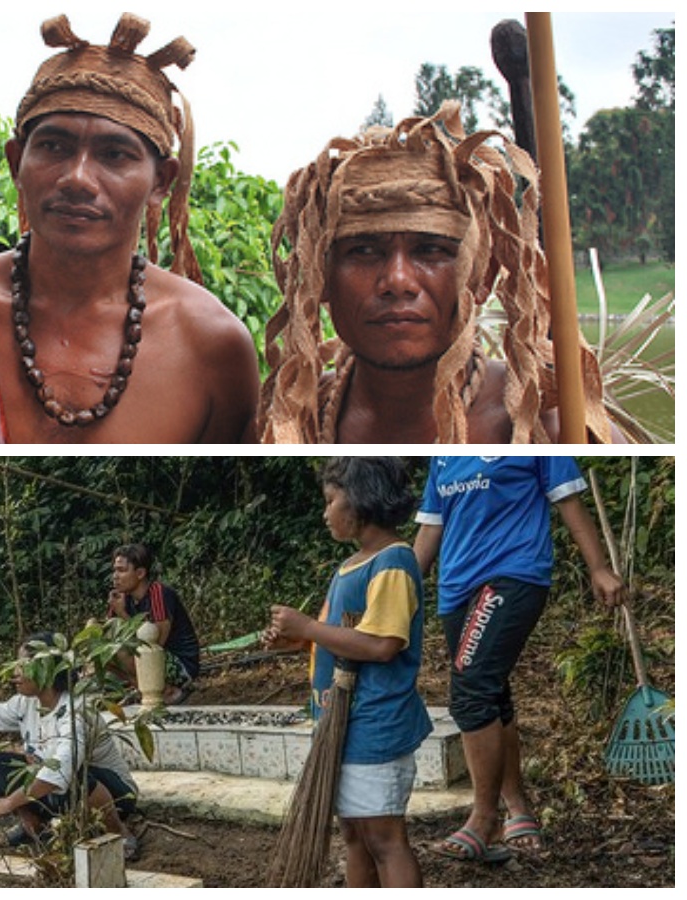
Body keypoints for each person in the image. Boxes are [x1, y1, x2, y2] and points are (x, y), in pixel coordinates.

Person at [0, 13, 260, 443]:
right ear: (17, 163)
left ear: (161, 182)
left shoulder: (213, 345)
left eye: (114, 155)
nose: (77, 178)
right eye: (54, 146)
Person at [258, 101, 622, 444]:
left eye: (431, 251)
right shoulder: (287, 424)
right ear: (322, 276)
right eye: (364, 251)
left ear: (482, 277)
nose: (398, 281)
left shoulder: (552, 430)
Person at [413, 456, 627, 861]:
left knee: (471, 692)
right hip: (455, 589)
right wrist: (399, 588)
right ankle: (517, 806)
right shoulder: (443, 448)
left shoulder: (532, 432)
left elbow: (567, 499)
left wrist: (598, 567)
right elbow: (431, 527)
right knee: (492, 692)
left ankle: (483, 818)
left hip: (514, 573)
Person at [262, 457, 431, 888]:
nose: (325, 512)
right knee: (355, 836)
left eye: (331, 500)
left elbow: (382, 644)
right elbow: (345, 636)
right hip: (344, 727)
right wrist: (301, 640)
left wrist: (309, 627)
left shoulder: (392, 562)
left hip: (375, 724)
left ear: (361, 500)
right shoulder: (353, 564)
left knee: (384, 839)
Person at [0, 632, 141, 860]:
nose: (14, 673)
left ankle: (118, 831)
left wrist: (9, 802)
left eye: (23, 665)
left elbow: (61, 768)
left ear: (46, 668)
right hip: (57, 787)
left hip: (112, 793)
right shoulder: (26, 703)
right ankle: (33, 826)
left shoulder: (76, 710)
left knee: (72, 775)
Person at [107, 542, 200, 705]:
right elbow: (107, 636)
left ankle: (167, 690)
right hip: (150, 659)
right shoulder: (122, 598)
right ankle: (152, 691)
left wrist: (122, 613)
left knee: (118, 650)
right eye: (114, 570)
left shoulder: (158, 593)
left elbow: (154, 644)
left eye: (121, 570)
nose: (115, 576)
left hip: (180, 663)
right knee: (103, 653)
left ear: (140, 573)